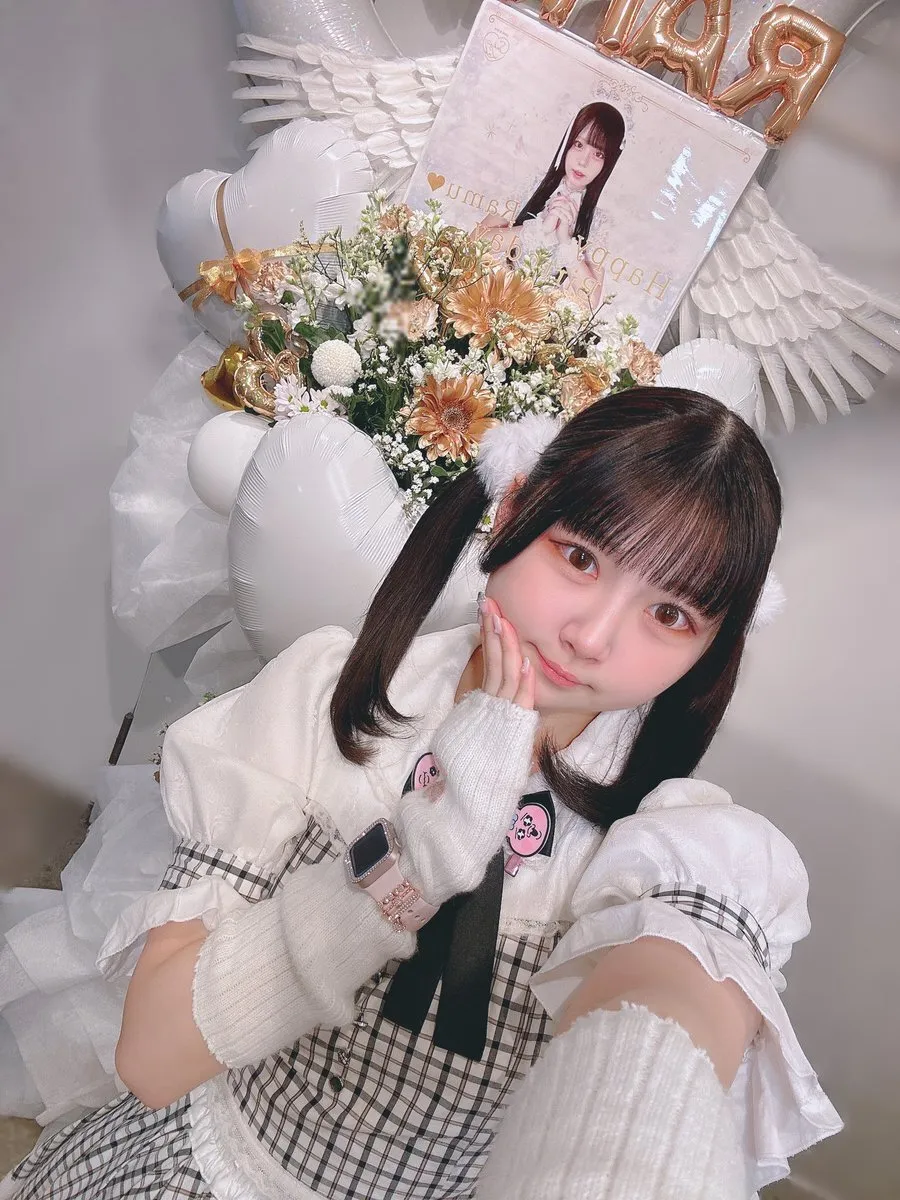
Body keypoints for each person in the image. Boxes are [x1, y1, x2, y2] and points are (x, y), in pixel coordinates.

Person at [1, 389, 841, 1200]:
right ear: (513, 509)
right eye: (580, 557)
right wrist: (405, 869)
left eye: (670, 614)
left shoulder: (669, 840)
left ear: (712, 648)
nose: (591, 637)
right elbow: (153, 1059)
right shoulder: (320, 696)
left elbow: (673, 1010)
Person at [474, 102, 625, 310]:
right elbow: (474, 241)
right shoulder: (532, 185)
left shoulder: (599, 222)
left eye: (598, 154)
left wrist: (565, 241)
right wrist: (537, 228)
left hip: (535, 320)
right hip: (485, 297)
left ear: (608, 163)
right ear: (568, 142)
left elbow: (590, 302)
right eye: (579, 145)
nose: (583, 162)